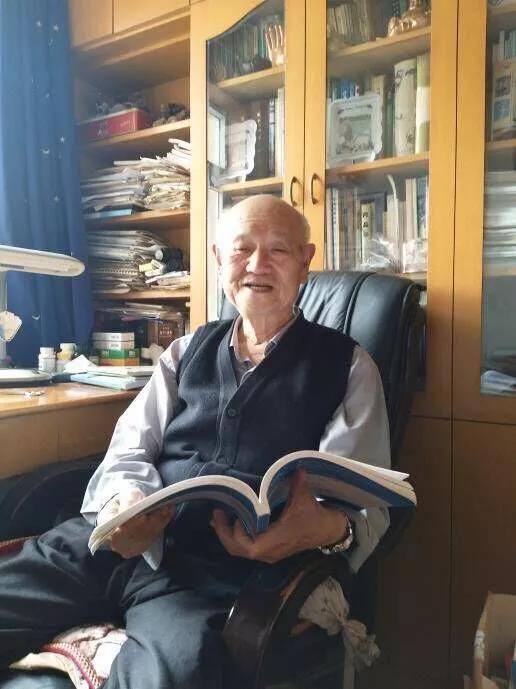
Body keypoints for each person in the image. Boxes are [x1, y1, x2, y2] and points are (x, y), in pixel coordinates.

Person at [0, 195, 390, 689]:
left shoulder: (347, 366)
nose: (257, 265)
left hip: (210, 578)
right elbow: (130, 447)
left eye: (278, 250)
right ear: (219, 259)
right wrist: (124, 503)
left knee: (172, 675)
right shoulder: (185, 350)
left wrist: (321, 529)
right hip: (114, 546)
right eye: (241, 249)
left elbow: (362, 504)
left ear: (305, 262)